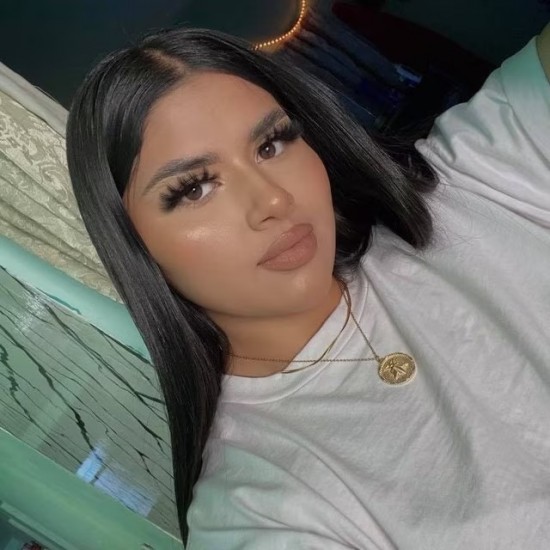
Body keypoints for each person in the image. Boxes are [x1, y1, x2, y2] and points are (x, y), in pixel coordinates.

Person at [65, 21, 550, 549]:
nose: (272, 200)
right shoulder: (257, 513)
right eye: (196, 188)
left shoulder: (471, 184)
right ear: (133, 245)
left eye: (271, 144)